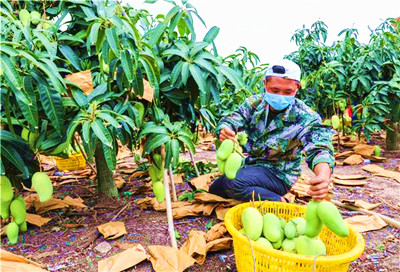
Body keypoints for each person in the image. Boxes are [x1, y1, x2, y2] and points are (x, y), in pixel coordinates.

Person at [209, 59, 334, 202]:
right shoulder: (254, 104)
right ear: (264, 84)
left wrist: (323, 175)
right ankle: (256, 191)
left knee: (233, 184)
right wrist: (226, 128)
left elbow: (320, 148)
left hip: (279, 174)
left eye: (288, 91)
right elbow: (233, 118)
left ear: (297, 87)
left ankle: (279, 201)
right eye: (274, 90)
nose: (280, 95)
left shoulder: (305, 117)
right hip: (251, 165)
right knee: (215, 190)